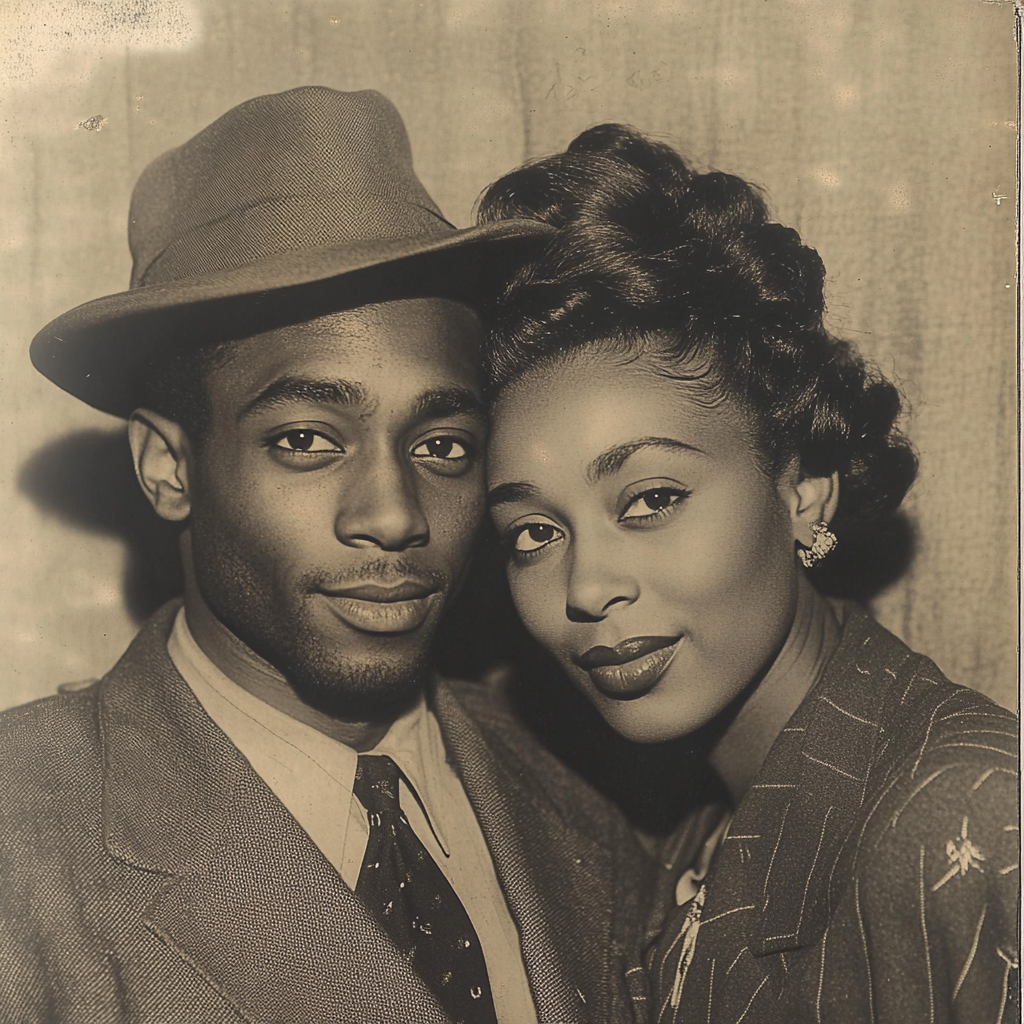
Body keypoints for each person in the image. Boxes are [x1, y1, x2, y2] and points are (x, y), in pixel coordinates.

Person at [0, 89, 657, 1024]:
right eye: (307, 440)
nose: (394, 516)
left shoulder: (578, 793)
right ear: (167, 466)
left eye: (443, 446)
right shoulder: (21, 840)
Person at [476, 124, 1019, 1023]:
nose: (584, 587)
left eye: (650, 499)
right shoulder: (690, 835)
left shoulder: (972, 818)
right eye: (533, 532)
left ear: (802, 490)